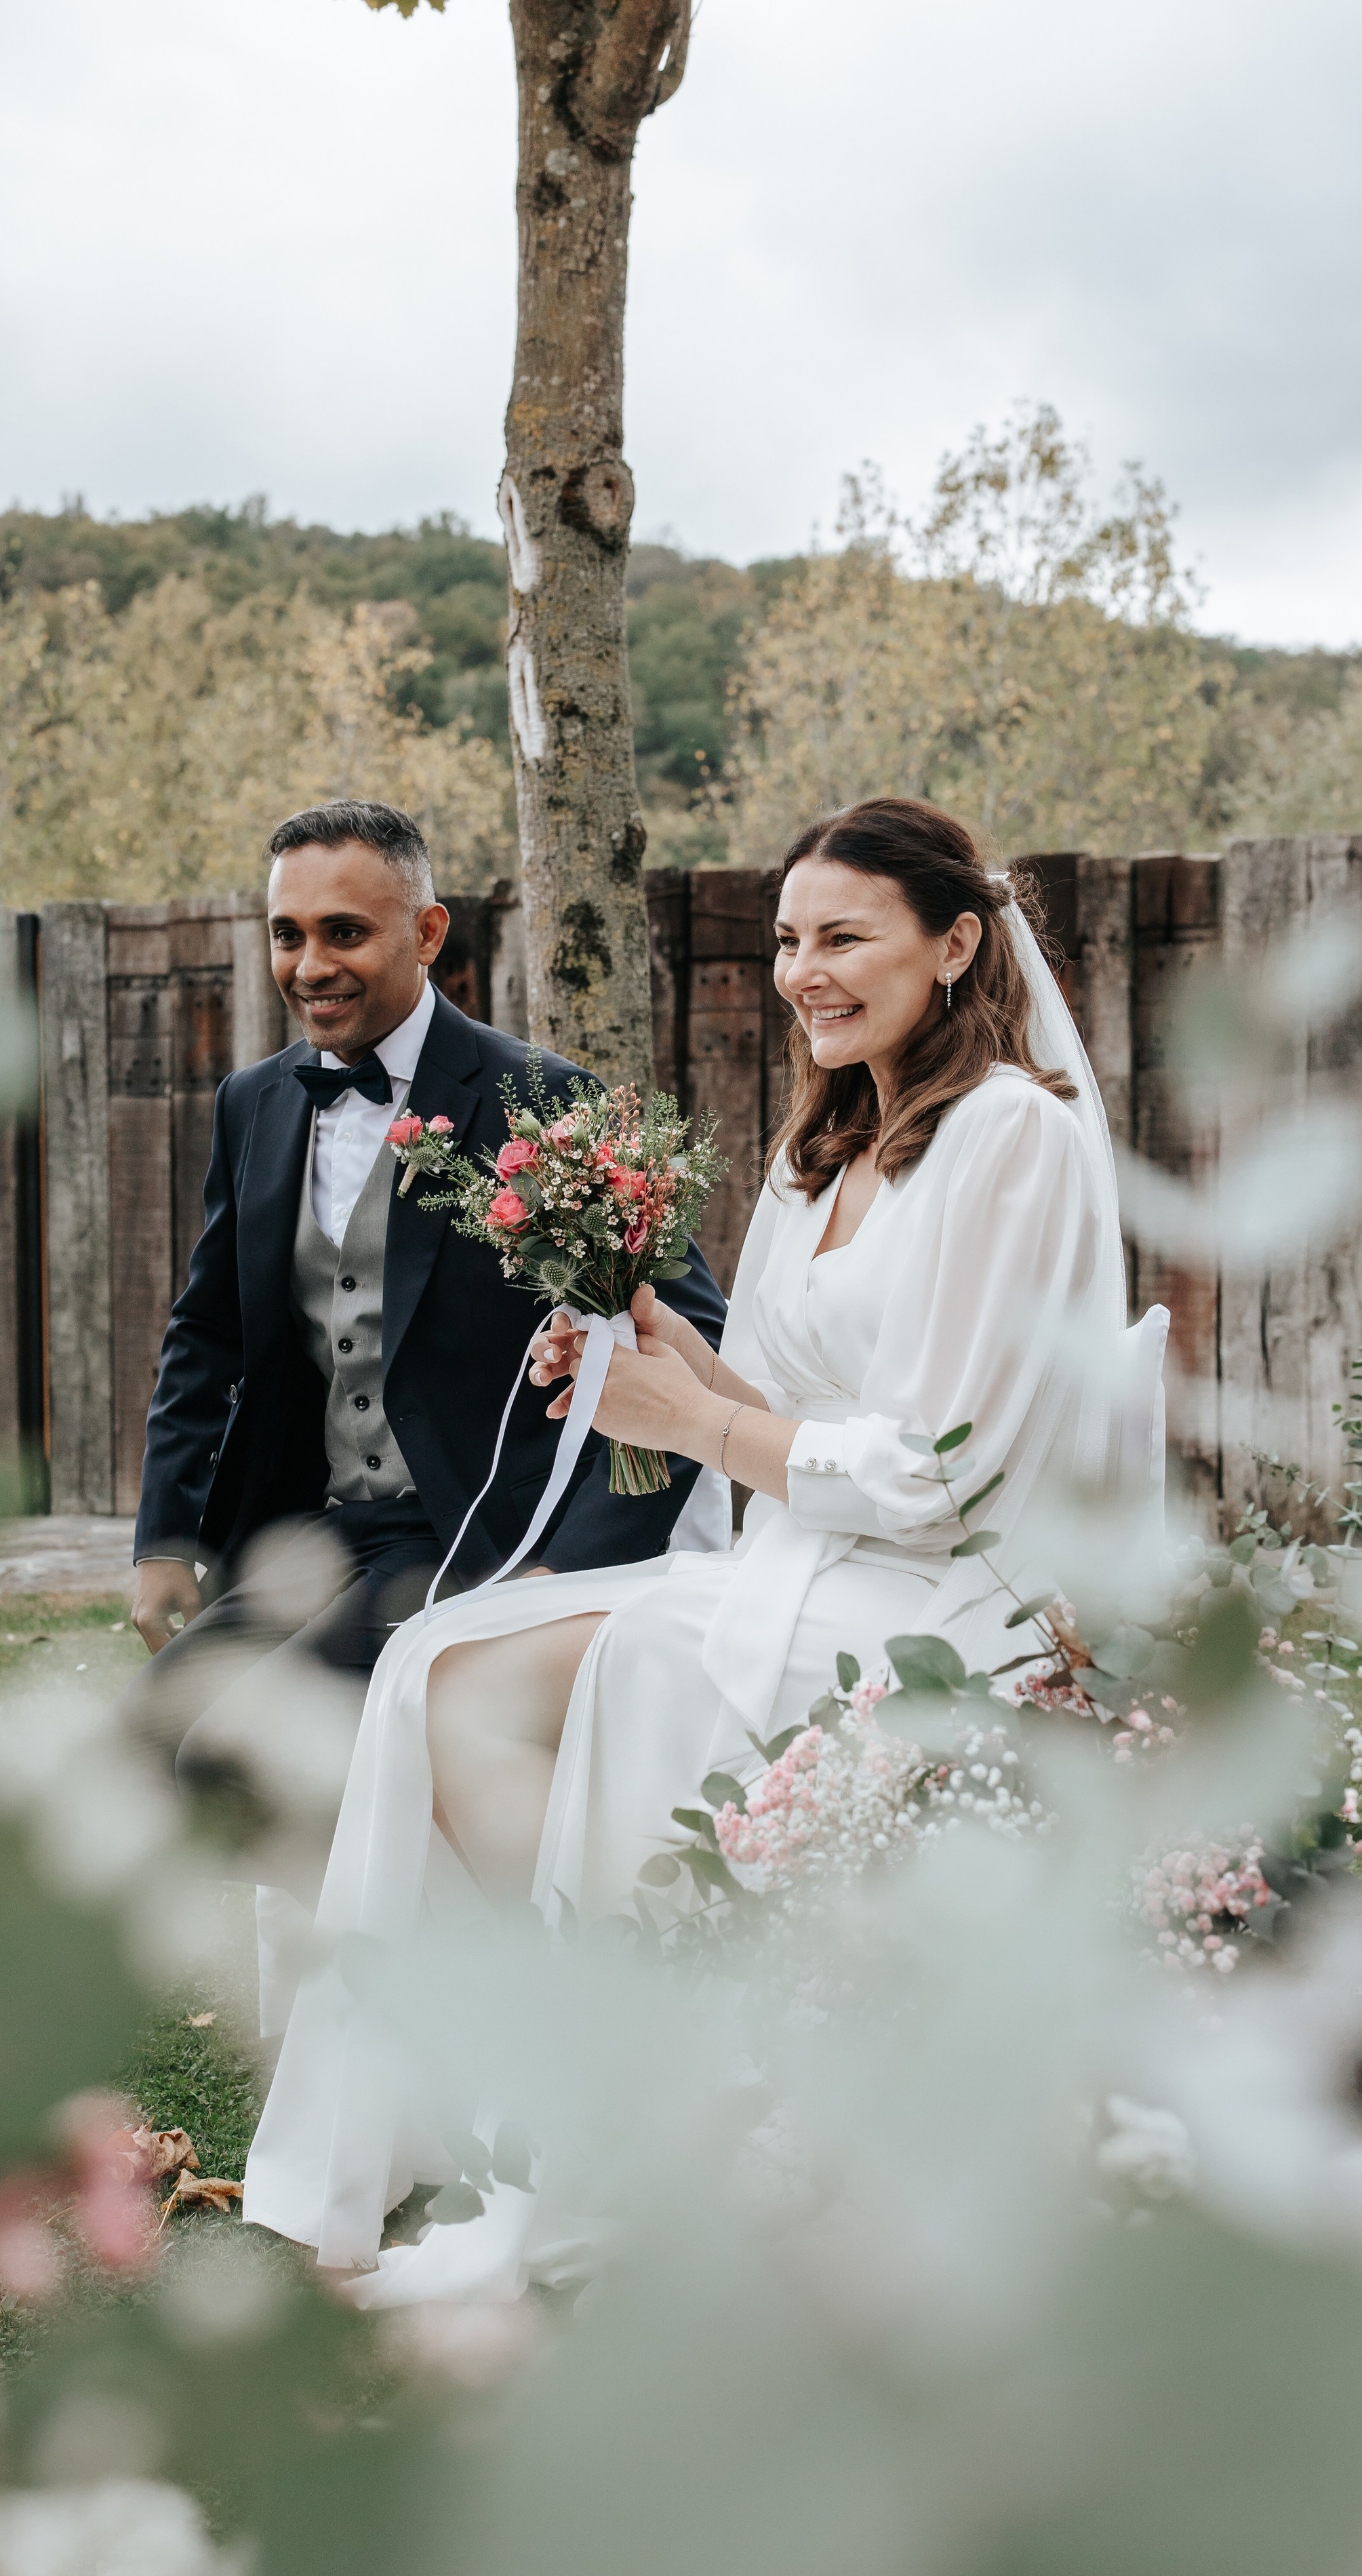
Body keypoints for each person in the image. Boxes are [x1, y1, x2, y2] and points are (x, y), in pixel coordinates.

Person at [243, 796, 1167, 2298]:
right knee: (432, 1665)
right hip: (812, 1565)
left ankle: (664, 2086)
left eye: (843, 938)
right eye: (788, 941)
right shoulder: (826, 1144)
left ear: (953, 945)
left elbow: (940, 1473)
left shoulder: (1013, 1135)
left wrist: (693, 1423)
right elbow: (787, 1412)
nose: (805, 973)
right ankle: (610, 2066)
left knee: (517, 1682)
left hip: (947, 1605)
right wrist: (647, 1356)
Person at [127, 797, 729, 1848]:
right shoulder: (253, 1103)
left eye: (344, 932)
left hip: (475, 1536)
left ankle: (438, 1924)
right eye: (287, 934)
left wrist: (568, 1571)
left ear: (429, 931)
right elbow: (207, 1333)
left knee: (231, 1760)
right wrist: (164, 1538)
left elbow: (684, 1342)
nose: (310, 965)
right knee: (142, 1751)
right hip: (310, 1536)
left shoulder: (544, 1098)